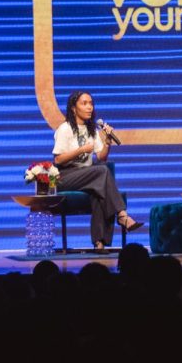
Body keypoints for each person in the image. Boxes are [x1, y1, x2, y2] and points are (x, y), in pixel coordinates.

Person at [52, 90, 143, 250]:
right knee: (101, 172)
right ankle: (122, 215)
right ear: (74, 108)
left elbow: (101, 157)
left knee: (99, 191)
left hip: (88, 176)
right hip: (65, 176)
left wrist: (107, 142)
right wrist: (81, 150)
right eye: (84, 103)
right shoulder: (65, 128)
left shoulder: (92, 130)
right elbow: (58, 159)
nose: (89, 107)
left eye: (91, 103)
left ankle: (99, 243)